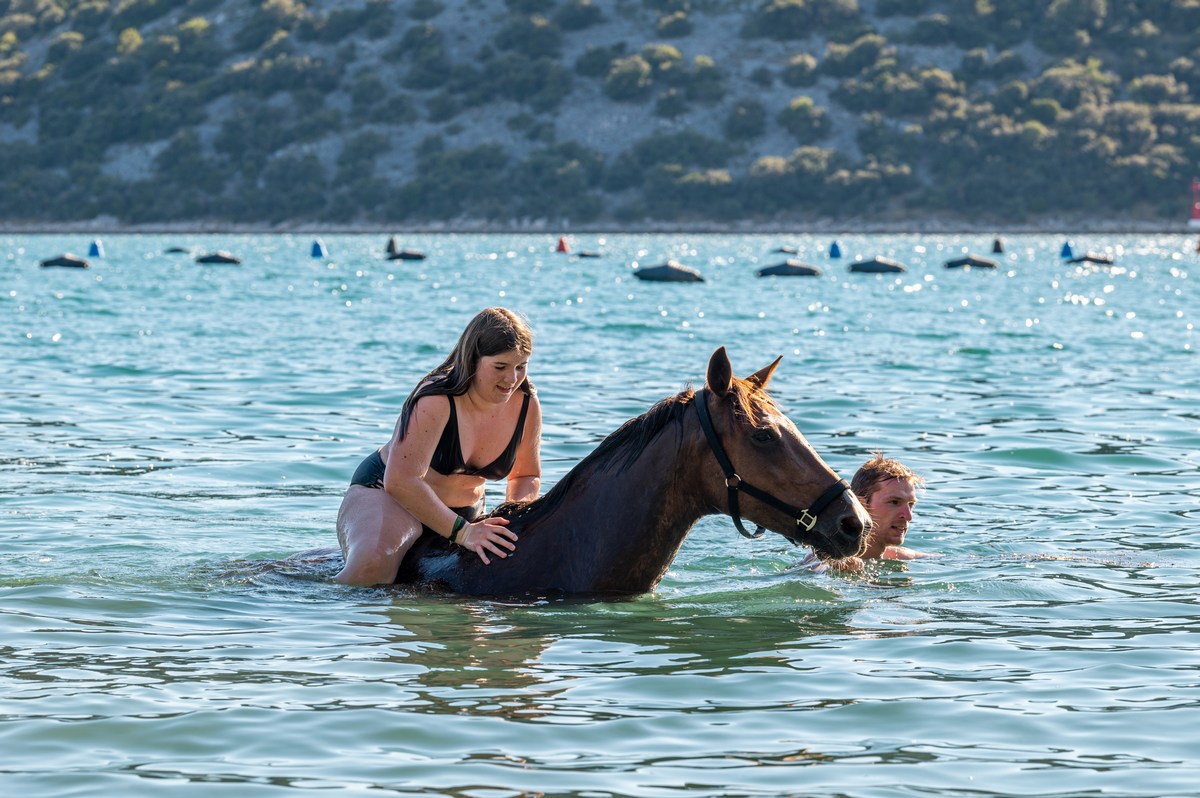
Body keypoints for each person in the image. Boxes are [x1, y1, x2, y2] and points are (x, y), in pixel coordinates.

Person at [335, 308, 543, 585]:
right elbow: (400, 480)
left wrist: (514, 517)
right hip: (390, 495)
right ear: (473, 360)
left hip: (465, 512)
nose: (512, 379)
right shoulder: (436, 399)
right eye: (500, 367)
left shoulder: (526, 404)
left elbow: (526, 476)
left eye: (521, 366)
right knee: (370, 568)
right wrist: (464, 534)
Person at [802, 452, 930, 573]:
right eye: (894, 502)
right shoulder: (824, 559)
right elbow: (813, 569)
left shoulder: (901, 557)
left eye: (911, 504)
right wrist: (833, 570)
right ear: (860, 505)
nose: (908, 516)